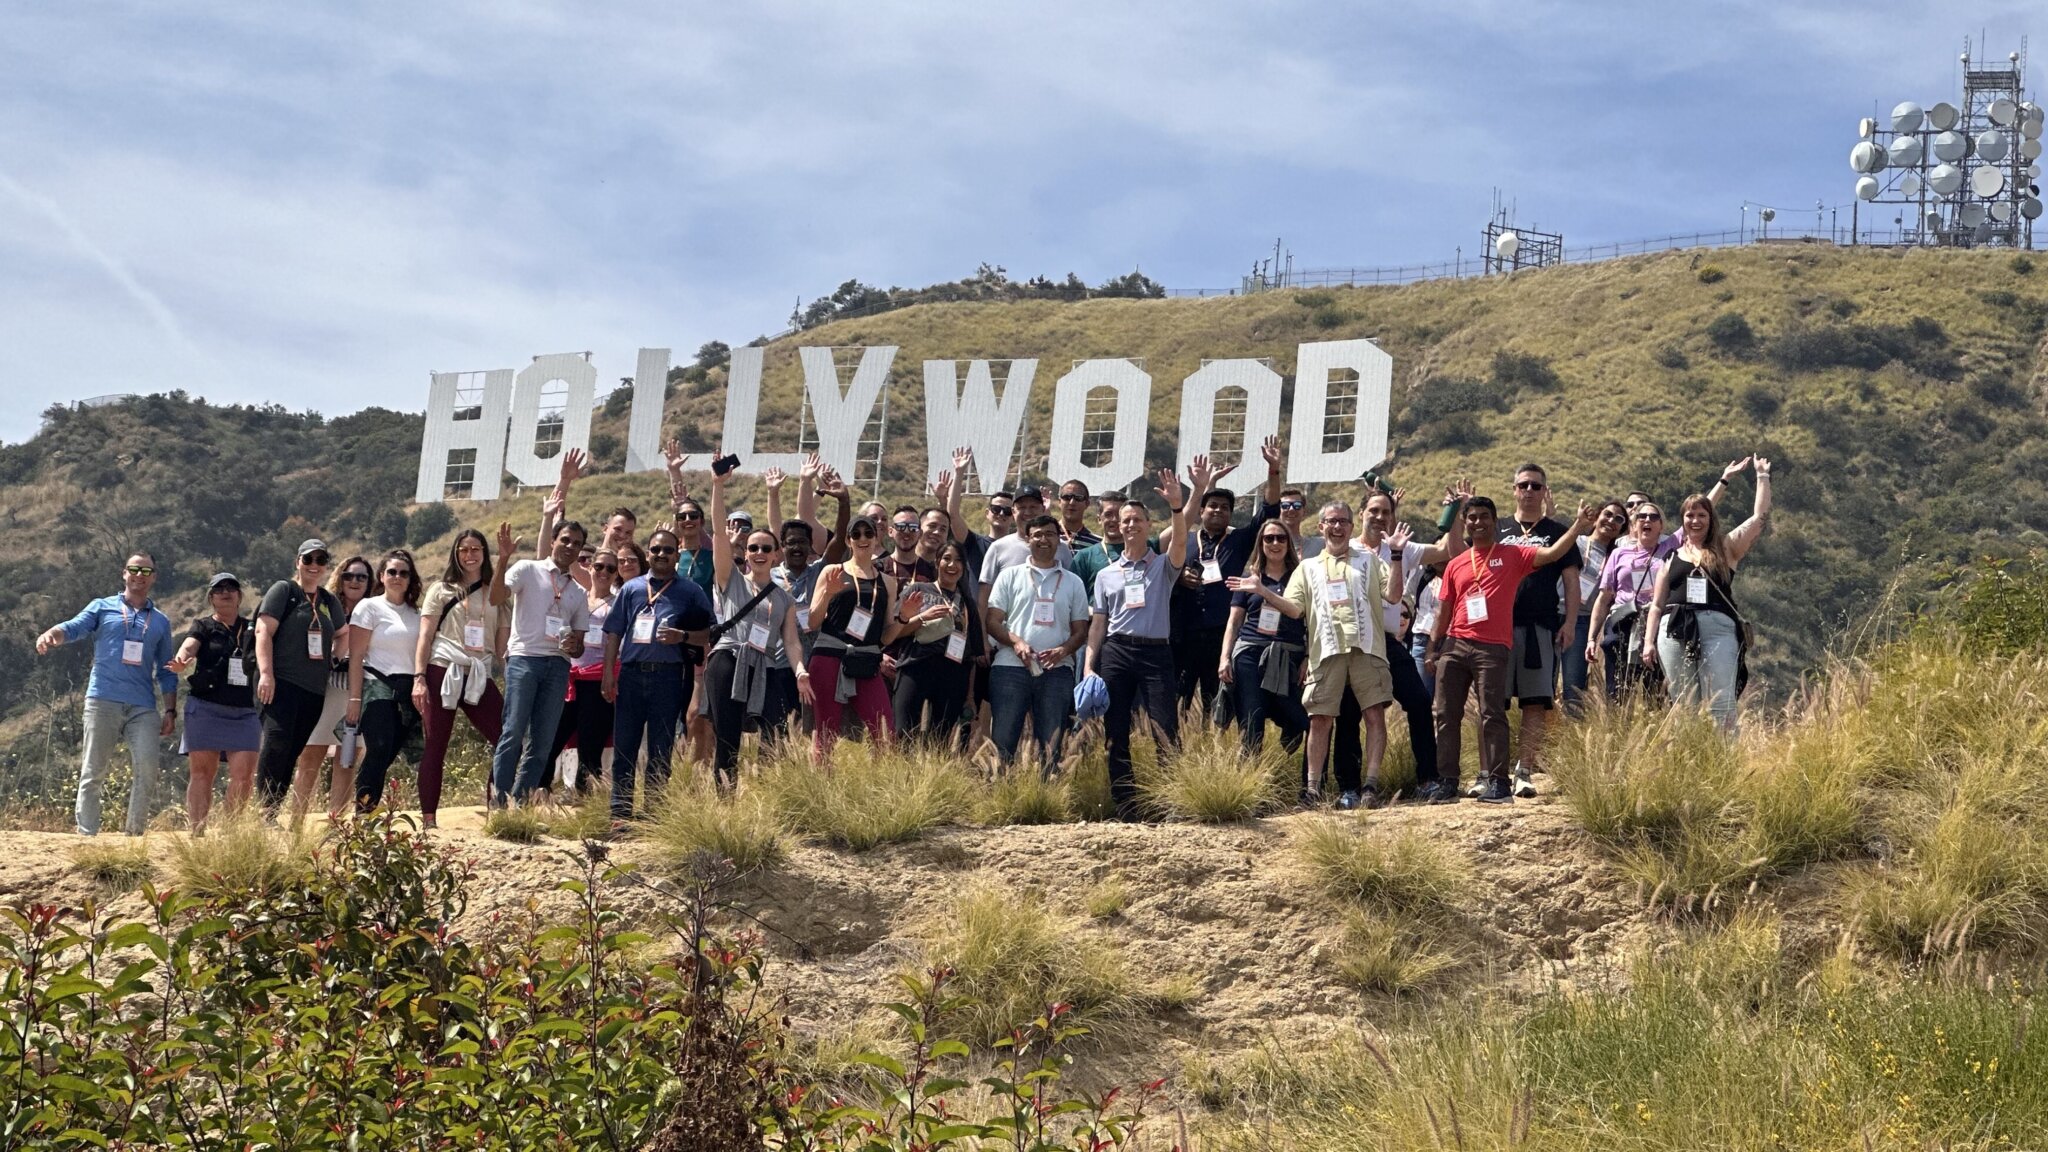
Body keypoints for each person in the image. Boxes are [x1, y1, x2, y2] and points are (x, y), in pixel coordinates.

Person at [1426, 497, 1594, 804]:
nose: (1478, 522)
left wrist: (1578, 526)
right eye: (1472, 517)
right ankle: (1447, 782)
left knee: (1493, 712)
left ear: (1494, 521)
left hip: (1492, 646)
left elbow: (1553, 553)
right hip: (1454, 644)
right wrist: (1433, 648)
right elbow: (1444, 610)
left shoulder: (1513, 554)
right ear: (1465, 522)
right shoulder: (1456, 563)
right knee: (1445, 714)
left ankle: (1498, 784)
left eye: (1484, 517)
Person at [1237, 503, 1406, 808]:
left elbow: (1394, 596)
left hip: (1367, 648)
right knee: (1319, 719)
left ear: (1351, 527)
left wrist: (1395, 556)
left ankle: (1371, 786)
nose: (1337, 527)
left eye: (1343, 521)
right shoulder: (1307, 567)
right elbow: (1294, 609)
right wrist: (1263, 592)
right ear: (1321, 527)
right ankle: (1312, 789)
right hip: (1325, 650)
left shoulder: (1369, 560)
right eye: (1331, 522)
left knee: (1373, 715)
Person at [1083, 456, 1217, 821]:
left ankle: (1171, 802)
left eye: (1137, 520)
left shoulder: (1162, 564)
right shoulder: (1107, 575)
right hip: (1117, 653)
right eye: (1125, 520)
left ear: (1147, 525)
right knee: (1116, 731)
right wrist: (1088, 668)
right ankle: (1127, 807)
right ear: (1119, 527)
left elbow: (1182, 530)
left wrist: (1180, 500)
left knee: (1165, 729)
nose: (1130, 525)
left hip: (1157, 655)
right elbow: (1098, 624)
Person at [36, 552, 178, 836]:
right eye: (134, 569)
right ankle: (87, 835)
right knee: (93, 771)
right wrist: (53, 633)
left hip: (143, 706)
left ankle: (134, 835)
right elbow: (75, 627)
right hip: (103, 699)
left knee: (148, 768)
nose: (140, 574)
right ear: (124, 573)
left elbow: (166, 669)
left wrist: (171, 710)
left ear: (154, 577)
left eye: (146, 570)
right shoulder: (102, 607)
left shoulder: (160, 621)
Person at [1642, 458, 1772, 731]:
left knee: (1721, 702)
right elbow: (1656, 605)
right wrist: (1648, 642)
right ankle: (1687, 762)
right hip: (1675, 627)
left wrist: (1762, 477)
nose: (1695, 520)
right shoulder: (1670, 556)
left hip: (1718, 628)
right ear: (1683, 520)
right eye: (1690, 515)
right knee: (1683, 702)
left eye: (1702, 515)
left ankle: (1725, 762)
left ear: (1711, 519)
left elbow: (1758, 519)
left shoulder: (1726, 549)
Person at [706, 467, 814, 790]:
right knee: (728, 739)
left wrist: (799, 672)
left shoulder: (785, 597)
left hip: (765, 667)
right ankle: (725, 804)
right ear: (746, 553)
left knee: (775, 734)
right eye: (753, 548)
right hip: (728, 660)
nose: (759, 554)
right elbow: (719, 535)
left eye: (766, 548)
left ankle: (768, 800)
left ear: (776, 554)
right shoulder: (731, 579)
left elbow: (792, 641)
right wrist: (717, 487)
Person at [602, 528, 714, 820]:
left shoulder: (691, 591)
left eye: (667, 550)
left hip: (670, 677)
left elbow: (709, 634)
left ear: (677, 554)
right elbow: (614, 632)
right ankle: (620, 813)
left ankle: (653, 813)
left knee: (660, 748)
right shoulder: (632, 588)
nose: (661, 555)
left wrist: (683, 636)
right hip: (631, 674)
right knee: (625, 744)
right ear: (648, 553)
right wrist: (608, 673)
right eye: (655, 549)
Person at [1174, 437, 1284, 720]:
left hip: (1221, 633)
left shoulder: (1239, 540)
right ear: (1201, 511)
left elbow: (1269, 510)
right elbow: (1163, 573)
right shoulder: (1182, 539)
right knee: (1178, 702)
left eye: (1225, 507)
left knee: (1218, 706)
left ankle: (1216, 756)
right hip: (1183, 635)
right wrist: (1178, 578)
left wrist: (1273, 470)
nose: (1218, 510)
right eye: (1212, 506)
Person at [1490, 464, 1582, 799]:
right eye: (1523, 485)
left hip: (1540, 628)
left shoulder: (1558, 531)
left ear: (1545, 492)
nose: (1529, 491)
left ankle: (1524, 770)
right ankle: (1493, 772)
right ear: (1513, 489)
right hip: (1496, 629)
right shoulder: (1496, 528)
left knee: (1535, 703)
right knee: (1494, 702)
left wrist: (1570, 622)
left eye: (1536, 486)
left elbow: (1572, 583)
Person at [412, 527, 511, 829]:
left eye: (476, 549)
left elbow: (502, 646)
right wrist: (419, 677)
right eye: (464, 550)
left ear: (485, 553)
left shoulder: (498, 593)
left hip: (479, 672)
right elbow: (426, 636)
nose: (470, 555)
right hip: (444, 668)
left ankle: (498, 809)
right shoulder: (441, 589)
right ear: (456, 554)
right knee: (436, 744)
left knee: (505, 737)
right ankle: (429, 819)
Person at [490, 519, 592, 806]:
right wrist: (503, 559)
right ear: (553, 541)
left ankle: (520, 803)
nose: (570, 547)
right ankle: (499, 801)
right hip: (524, 659)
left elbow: (579, 645)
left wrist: (574, 644)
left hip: (558, 666)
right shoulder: (526, 569)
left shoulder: (578, 593)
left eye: (577, 543)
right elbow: (496, 597)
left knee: (544, 740)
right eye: (565, 540)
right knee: (513, 730)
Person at [986, 515, 1092, 772]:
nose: (1043, 540)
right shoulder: (1009, 576)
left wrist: (1064, 650)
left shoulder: (1072, 581)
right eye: (1037, 535)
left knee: (1050, 744)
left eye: (1049, 534)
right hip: (1010, 668)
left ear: (1058, 539)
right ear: (1028, 539)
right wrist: (1017, 642)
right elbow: (993, 621)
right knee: (1004, 740)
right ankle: (999, 797)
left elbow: (1081, 629)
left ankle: (1046, 798)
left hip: (1057, 672)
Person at [252, 540, 345, 816]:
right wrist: (266, 674)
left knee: (292, 751)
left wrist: (334, 659)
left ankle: (272, 810)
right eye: (309, 559)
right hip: (281, 684)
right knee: (275, 744)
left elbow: (344, 634)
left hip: (314, 690)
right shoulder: (284, 591)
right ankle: (264, 813)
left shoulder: (328, 601)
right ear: (298, 562)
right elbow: (262, 632)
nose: (314, 565)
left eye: (321, 560)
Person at [166, 572, 258, 834]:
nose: (225, 592)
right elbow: (189, 646)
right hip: (206, 708)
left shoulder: (252, 628)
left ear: (240, 596)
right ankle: (197, 832)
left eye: (231, 588)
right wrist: (182, 660)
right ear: (211, 598)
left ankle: (229, 833)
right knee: (202, 773)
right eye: (219, 589)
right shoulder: (203, 626)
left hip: (245, 711)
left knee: (244, 776)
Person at [808, 516, 907, 760]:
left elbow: (885, 637)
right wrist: (827, 596)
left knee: (884, 733)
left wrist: (904, 618)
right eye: (857, 534)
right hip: (829, 657)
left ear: (877, 538)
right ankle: (819, 789)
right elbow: (811, 622)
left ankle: (879, 790)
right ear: (848, 540)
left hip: (866, 661)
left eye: (868, 533)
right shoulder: (833, 572)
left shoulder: (888, 582)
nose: (863, 538)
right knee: (825, 732)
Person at [289, 553, 374, 823]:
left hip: (358, 692)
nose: (355, 581)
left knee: (347, 760)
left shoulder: (376, 610)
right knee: (310, 756)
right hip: (325, 690)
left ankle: (336, 824)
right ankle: (296, 822)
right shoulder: (325, 606)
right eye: (349, 575)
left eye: (362, 576)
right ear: (340, 577)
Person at [1217, 520, 1307, 762]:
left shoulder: (1300, 577)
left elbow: (1304, 616)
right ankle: (1248, 780)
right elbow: (1234, 622)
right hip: (1250, 650)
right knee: (1252, 717)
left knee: (1297, 716)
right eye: (1269, 538)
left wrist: (1308, 657)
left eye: (1280, 538)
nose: (1275, 543)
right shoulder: (1249, 578)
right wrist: (1225, 658)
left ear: (1288, 543)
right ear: (1260, 543)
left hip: (1289, 654)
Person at [345, 550, 423, 813]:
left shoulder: (417, 614)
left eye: (404, 572)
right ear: (381, 576)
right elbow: (355, 656)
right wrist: (354, 699)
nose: (397, 577)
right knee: (377, 751)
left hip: (408, 694)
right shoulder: (369, 607)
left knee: (387, 756)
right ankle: (362, 817)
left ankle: (370, 813)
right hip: (376, 687)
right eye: (392, 571)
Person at [890, 539, 982, 746]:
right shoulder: (918, 590)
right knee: (904, 734)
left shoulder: (968, 603)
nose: (952, 565)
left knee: (939, 740)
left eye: (958, 560)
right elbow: (894, 633)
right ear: (937, 562)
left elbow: (972, 655)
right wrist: (923, 617)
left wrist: (970, 695)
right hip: (915, 667)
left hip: (952, 674)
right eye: (947, 559)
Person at [546, 547, 619, 795]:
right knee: (552, 738)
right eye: (599, 566)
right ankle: (538, 790)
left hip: (597, 681)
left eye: (611, 568)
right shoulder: (576, 598)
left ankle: (585, 800)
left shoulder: (617, 603)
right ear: (590, 567)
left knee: (591, 744)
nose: (604, 572)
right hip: (568, 678)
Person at [1586, 501, 1673, 701]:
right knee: (1618, 691)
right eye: (1641, 517)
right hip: (1621, 622)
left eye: (1653, 517)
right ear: (1633, 525)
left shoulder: (1669, 549)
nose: (1647, 520)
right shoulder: (1618, 554)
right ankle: (1616, 728)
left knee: (1655, 691)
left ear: (1661, 526)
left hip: (1656, 623)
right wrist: (1592, 638)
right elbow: (1604, 597)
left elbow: (1697, 514)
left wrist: (1724, 480)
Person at [1562, 501, 1629, 709]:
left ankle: (1571, 733)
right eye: (1607, 514)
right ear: (1597, 516)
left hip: (1583, 622)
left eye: (1618, 519)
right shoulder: (1575, 541)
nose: (1611, 521)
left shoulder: (1616, 557)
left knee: (1574, 687)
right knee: (1544, 683)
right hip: (1554, 612)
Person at [1069, 491, 1128, 597]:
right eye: (1108, 514)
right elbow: (1072, 598)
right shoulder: (1084, 557)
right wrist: (1094, 611)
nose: (1114, 519)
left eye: (1119, 515)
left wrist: (1169, 503)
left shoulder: (1143, 549)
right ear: (1099, 519)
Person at [880, 504, 936, 583]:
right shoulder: (878, 568)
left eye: (913, 527)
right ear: (890, 531)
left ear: (920, 533)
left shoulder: (932, 571)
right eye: (900, 526)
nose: (906, 531)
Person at [1057, 479, 1099, 547]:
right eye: (1067, 497)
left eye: (1078, 498)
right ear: (1059, 502)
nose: (1072, 502)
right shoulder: (1048, 536)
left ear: (1087, 504)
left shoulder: (1096, 544)